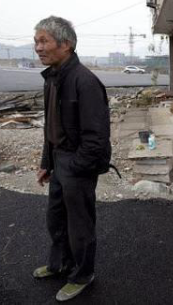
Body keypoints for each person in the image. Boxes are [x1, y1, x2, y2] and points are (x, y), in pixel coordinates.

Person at [32, 16, 111, 302]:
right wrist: (47, 162)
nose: (38, 48)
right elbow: (50, 127)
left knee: (80, 225)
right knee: (56, 220)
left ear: (65, 44)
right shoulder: (52, 78)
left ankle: (82, 274)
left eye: (44, 41)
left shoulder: (85, 82)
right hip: (59, 160)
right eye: (36, 41)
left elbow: (97, 138)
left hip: (78, 164)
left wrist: (75, 168)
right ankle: (60, 264)